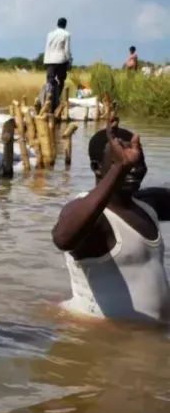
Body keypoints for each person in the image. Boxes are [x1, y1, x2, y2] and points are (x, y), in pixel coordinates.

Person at [52, 124, 170, 324]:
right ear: (97, 167)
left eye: (137, 161)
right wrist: (119, 169)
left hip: (146, 335)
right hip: (95, 332)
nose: (134, 168)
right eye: (122, 161)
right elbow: (63, 239)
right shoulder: (91, 216)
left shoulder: (147, 206)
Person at [43, 17, 72, 112]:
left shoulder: (50, 34)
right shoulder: (66, 34)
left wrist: (46, 60)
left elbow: (47, 47)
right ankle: (56, 100)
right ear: (65, 25)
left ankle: (48, 101)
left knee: (50, 81)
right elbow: (66, 50)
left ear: (57, 24)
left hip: (49, 59)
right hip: (60, 60)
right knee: (61, 80)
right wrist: (69, 61)